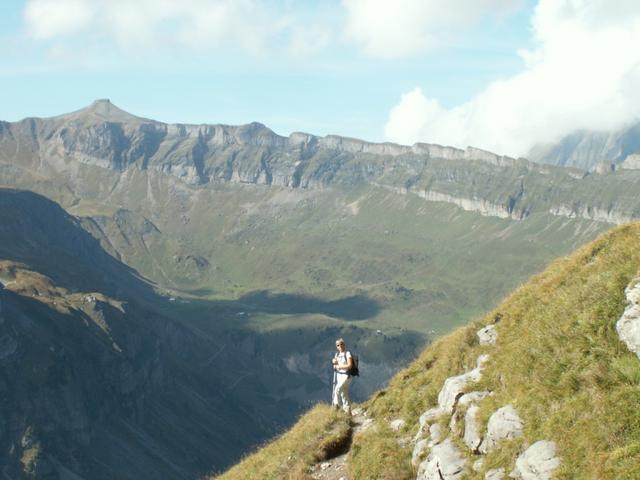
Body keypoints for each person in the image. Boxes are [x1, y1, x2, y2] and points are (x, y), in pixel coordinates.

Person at [331, 338, 353, 414]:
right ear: (336, 346)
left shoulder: (347, 353)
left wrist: (339, 367)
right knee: (344, 393)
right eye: (338, 345)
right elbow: (335, 367)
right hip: (339, 375)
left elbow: (350, 365)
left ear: (344, 345)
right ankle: (348, 411)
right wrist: (334, 362)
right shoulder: (337, 355)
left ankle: (336, 406)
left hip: (346, 375)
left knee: (337, 389)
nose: (340, 346)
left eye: (341, 344)